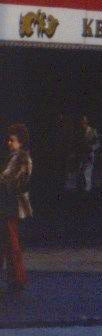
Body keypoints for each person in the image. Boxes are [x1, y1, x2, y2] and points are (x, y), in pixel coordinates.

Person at [0, 124, 32, 294]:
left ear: (21, 142)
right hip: (7, 205)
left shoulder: (21, 158)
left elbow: (8, 179)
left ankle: (17, 279)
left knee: (11, 243)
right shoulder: (15, 157)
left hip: (11, 205)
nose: (9, 143)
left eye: (13, 140)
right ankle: (16, 279)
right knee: (8, 243)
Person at [75, 115, 99, 195]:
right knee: (79, 174)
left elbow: (97, 144)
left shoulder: (92, 131)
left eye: (84, 121)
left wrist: (91, 148)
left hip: (89, 155)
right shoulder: (78, 132)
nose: (82, 123)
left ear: (86, 122)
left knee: (87, 175)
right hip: (80, 155)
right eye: (81, 121)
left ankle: (88, 193)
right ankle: (80, 193)